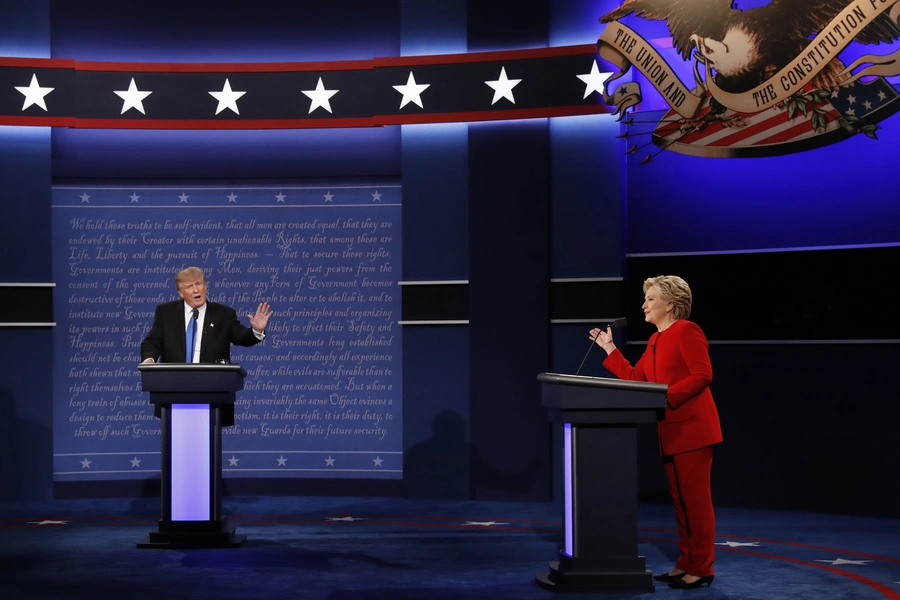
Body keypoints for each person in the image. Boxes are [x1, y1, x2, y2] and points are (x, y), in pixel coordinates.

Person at [589, 275, 722, 590]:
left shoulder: (687, 331)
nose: (644, 305)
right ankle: (686, 562)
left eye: (650, 299)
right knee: (680, 502)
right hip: (671, 431)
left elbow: (703, 375)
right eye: (645, 298)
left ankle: (702, 567)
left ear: (670, 305)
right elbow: (637, 378)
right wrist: (609, 348)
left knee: (696, 502)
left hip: (693, 429)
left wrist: (666, 396)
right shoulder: (655, 340)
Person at [140, 266, 273, 425]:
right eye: (190, 287)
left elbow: (241, 337)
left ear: (205, 286)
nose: (196, 290)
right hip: (174, 388)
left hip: (213, 390)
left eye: (199, 284)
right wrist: (149, 360)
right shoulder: (166, 312)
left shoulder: (223, 314)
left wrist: (256, 330)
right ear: (181, 293)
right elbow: (153, 341)